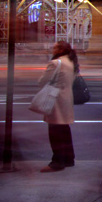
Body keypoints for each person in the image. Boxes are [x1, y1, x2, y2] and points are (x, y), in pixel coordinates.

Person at [39, 41, 78, 173]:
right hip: (66, 98)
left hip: (55, 99)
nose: (52, 49)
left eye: (55, 47)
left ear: (60, 50)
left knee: (55, 131)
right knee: (64, 129)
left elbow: (42, 81)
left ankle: (57, 161)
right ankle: (69, 158)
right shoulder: (71, 62)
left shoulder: (56, 63)